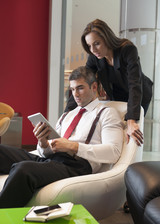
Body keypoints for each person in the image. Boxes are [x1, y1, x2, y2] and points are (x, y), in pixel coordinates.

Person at [0, 66, 123, 208]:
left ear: (94, 86)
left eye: (80, 88)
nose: (75, 94)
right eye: (72, 89)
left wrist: (73, 146)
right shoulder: (67, 115)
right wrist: (43, 143)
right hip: (52, 160)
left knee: (23, 170)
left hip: (76, 165)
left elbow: (113, 152)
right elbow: (46, 152)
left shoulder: (107, 113)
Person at [65, 19, 153, 147]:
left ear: (107, 38)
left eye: (97, 43)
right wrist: (67, 114)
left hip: (139, 93)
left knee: (131, 130)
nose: (93, 49)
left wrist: (131, 120)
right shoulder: (94, 57)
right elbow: (82, 81)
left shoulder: (127, 50)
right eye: (89, 46)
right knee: (117, 130)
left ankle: (129, 163)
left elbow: (135, 84)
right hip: (117, 93)